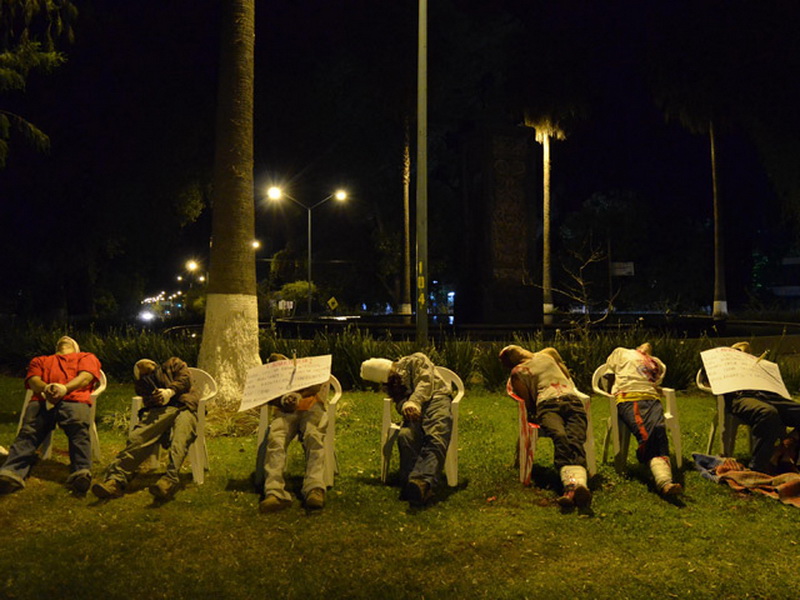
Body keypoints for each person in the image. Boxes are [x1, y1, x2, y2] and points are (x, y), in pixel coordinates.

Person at [0, 336, 102, 495]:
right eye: (60, 341)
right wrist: (47, 388)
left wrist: (64, 389)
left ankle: (81, 473)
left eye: (70, 340)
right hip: (42, 399)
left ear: (76, 348)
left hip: (73, 400)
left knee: (78, 430)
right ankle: (11, 473)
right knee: (29, 432)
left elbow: (85, 378)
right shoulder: (40, 360)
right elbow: (33, 380)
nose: (65, 338)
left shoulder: (86, 357)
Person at [91, 357, 199, 501]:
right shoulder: (144, 384)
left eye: (147, 364)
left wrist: (169, 392)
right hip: (161, 411)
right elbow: (146, 400)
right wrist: (157, 398)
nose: (145, 366)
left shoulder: (173, 364)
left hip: (185, 407)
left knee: (181, 436)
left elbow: (185, 380)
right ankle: (115, 481)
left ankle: (169, 480)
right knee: (138, 437)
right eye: (140, 368)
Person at [499, 345, 592, 509]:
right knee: (560, 435)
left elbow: (566, 375)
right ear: (511, 360)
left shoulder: (547, 353)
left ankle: (572, 490)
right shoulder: (517, 372)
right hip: (547, 405)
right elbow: (527, 402)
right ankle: (575, 487)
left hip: (572, 400)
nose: (509, 349)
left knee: (576, 436)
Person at [360, 352, 453, 506]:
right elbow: (399, 402)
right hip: (414, 408)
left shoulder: (416, 360)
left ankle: (422, 481)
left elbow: (425, 382)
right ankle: (412, 482)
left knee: (436, 434)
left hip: (437, 399)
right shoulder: (394, 385)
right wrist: (404, 406)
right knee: (406, 436)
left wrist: (414, 402)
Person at [604, 343, 682, 496]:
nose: (647, 346)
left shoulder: (657, 363)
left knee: (659, 428)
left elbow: (656, 380)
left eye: (650, 347)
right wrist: (612, 393)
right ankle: (664, 481)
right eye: (644, 345)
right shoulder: (621, 352)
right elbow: (609, 372)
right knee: (646, 432)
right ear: (637, 347)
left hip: (651, 398)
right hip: (629, 397)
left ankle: (661, 476)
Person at [258, 353, 329, 513]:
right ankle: (274, 492)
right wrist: (283, 401)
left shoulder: (306, 369)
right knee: (276, 438)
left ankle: (315, 488)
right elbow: (266, 396)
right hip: (285, 412)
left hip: (311, 408)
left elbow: (317, 385)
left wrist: (299, 395)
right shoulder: (273, 378)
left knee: (314, 436)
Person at [720, 341, 800, 473]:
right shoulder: (725, 368)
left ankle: (784, 448)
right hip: (742, 396)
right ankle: (758, 466)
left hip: (768, 394)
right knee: (767, 413)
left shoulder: (759, 366)